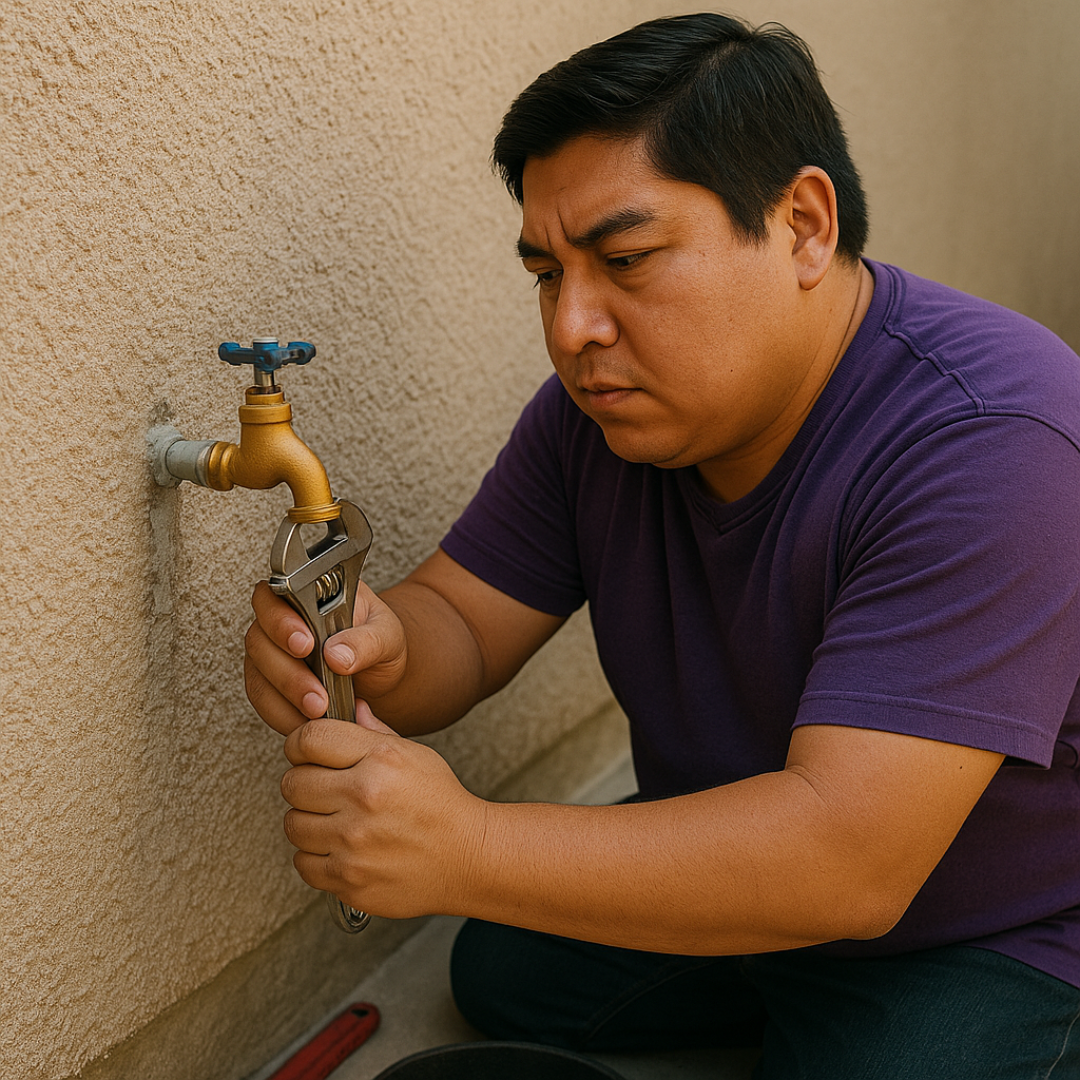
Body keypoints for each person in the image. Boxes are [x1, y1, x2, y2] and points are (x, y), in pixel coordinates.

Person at [244, 13, 1080, 1078]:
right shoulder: (601, 416)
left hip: (999, 927)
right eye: (547, 273)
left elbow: (847, 864)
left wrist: (469, 846)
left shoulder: (994, 437)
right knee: (503, 968)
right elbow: (460, 619)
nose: (571, 328)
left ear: (804, 226)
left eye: (626, 260)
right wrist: (379, 642)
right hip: (782, 853)